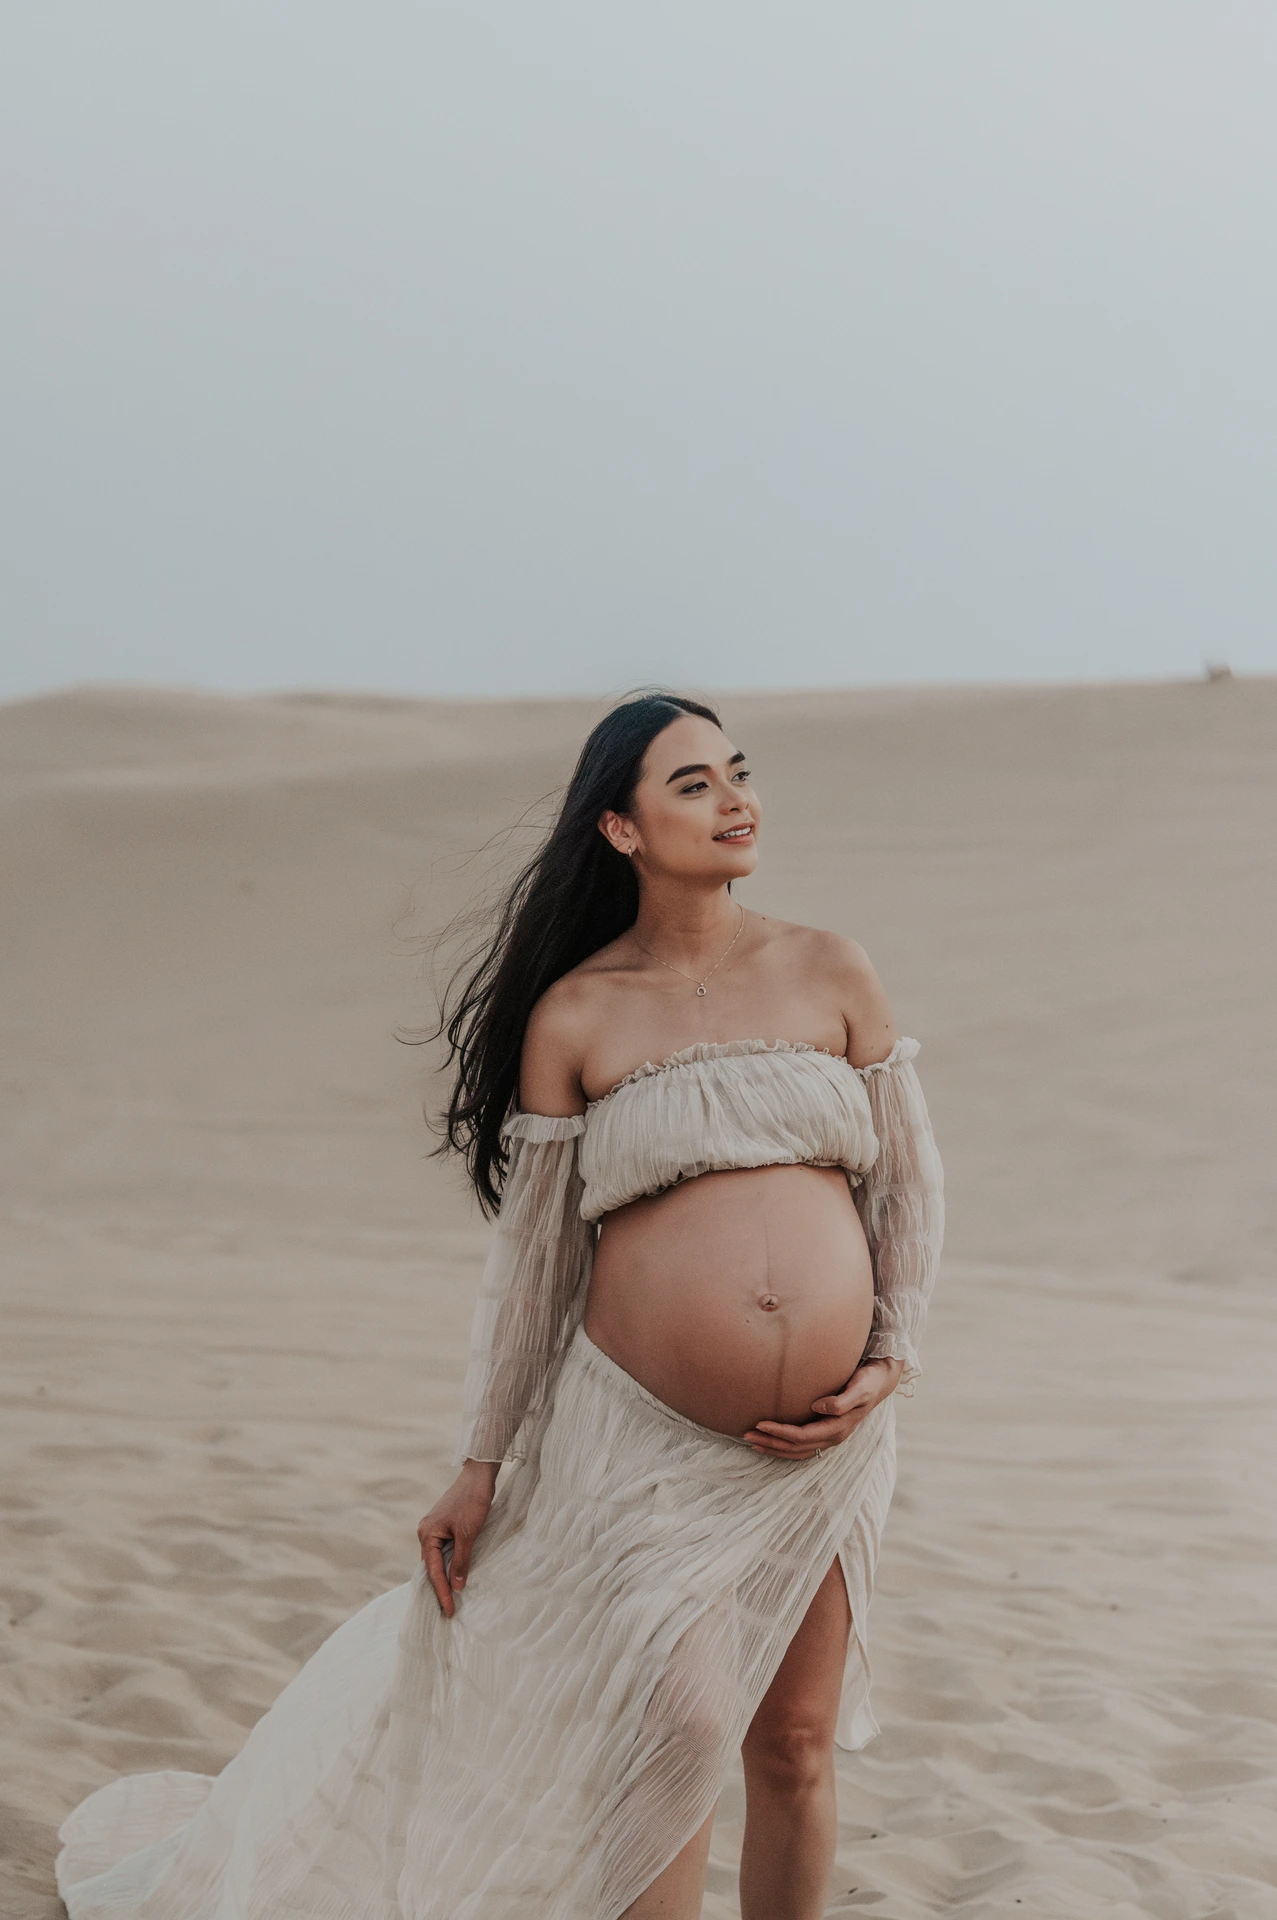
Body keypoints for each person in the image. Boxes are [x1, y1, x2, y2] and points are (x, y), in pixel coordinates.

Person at [55, 692, 944, 1920]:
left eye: (737, 773)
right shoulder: (577, 1014)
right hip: (638, 1441)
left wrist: (890, 1359)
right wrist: (480, 1462)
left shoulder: (827, 967)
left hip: (827, 1453)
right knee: (676, 1732)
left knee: (790, 1743)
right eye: (692, 784)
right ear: (620, 829)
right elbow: (530, 1267)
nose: (736, 801)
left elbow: (906, 1187)